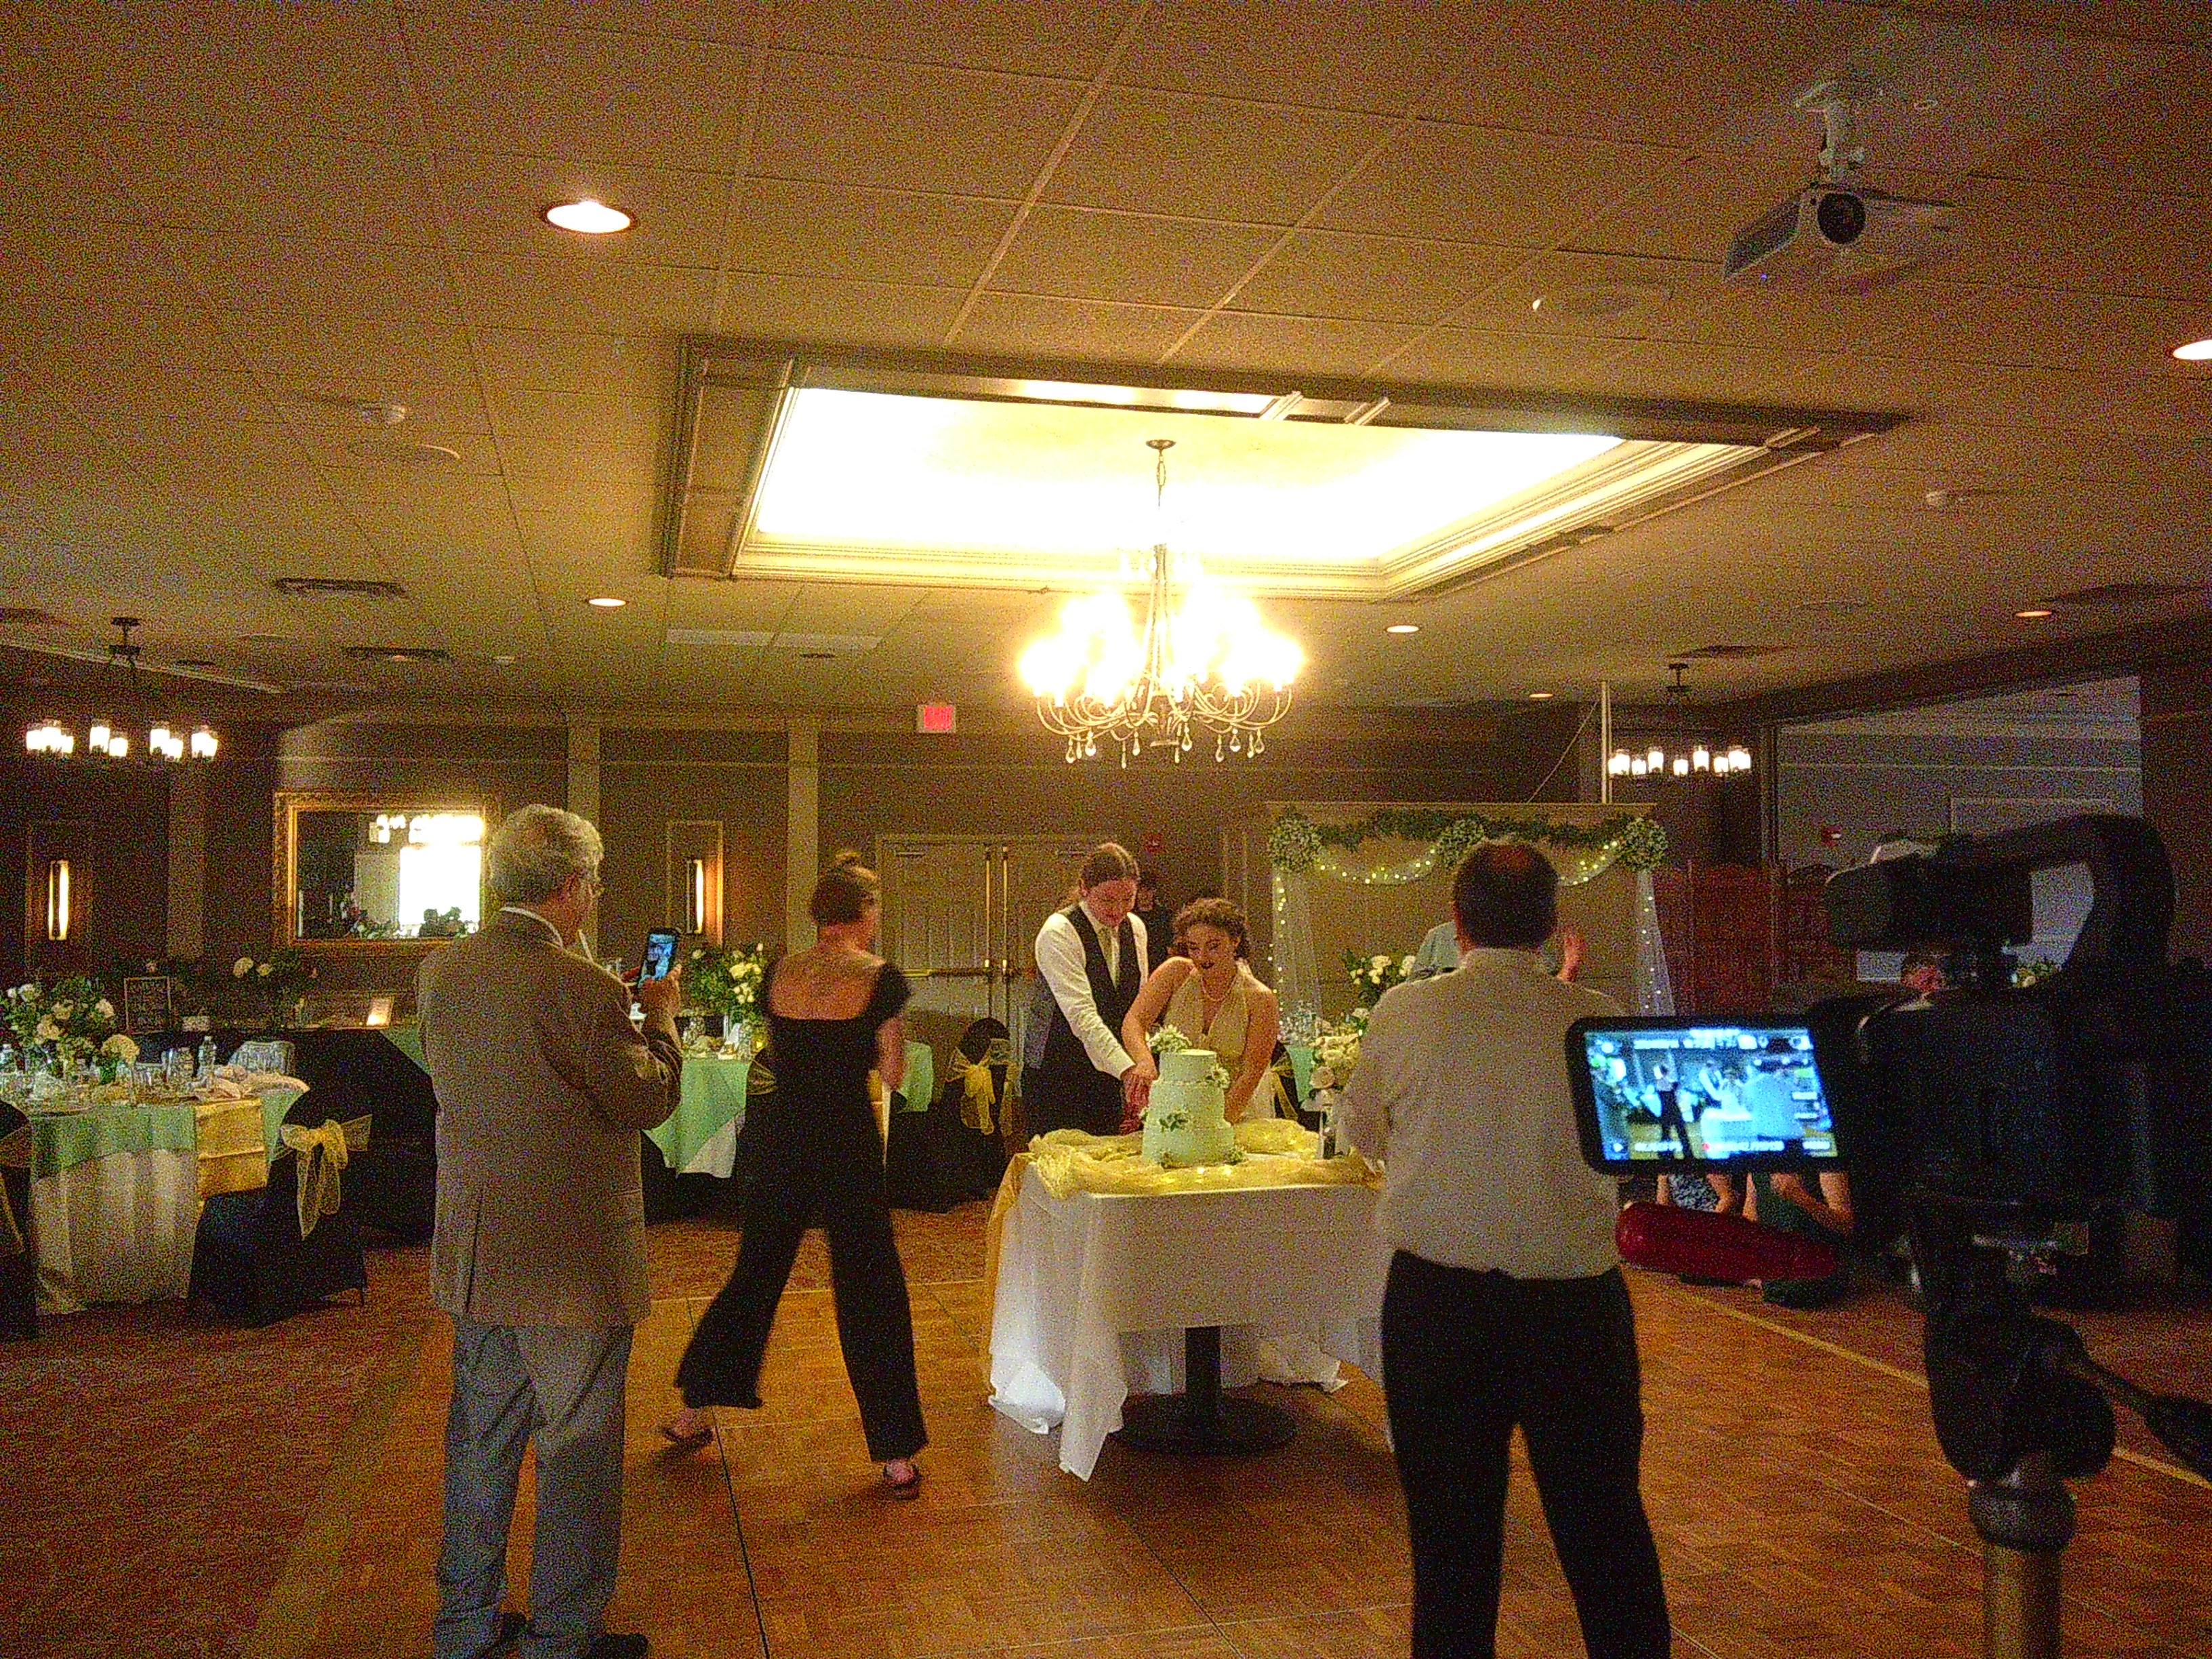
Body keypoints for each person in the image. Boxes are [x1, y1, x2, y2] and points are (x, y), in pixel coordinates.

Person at [1343, 842, 1670, 1659]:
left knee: (1451, 1541)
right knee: (1604, 1527)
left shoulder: (1406, 1012)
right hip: (1577, 1310)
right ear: (1554, 928)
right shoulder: (1595, 1022)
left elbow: (1358, 1130)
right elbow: (1639, 1155)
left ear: (1456, 924)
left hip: (1439, 1306)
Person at [417, 804, 682, 1659]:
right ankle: (562, 1638)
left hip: (477, 1255)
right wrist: (663, 1016)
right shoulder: (584, 988)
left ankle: (462, 1630)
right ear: (572, 888)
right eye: (593, 884)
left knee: (479, 1444)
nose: (595, 896)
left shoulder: (441, 973)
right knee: (576, 1456)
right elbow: (647, 1098)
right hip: (572, 1267)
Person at [661, 854, 928, 1495]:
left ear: (819, 914)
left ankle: (693, 1410)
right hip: (846, 1141)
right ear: (866, 915)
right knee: (871, 1285)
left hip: (780, 1137)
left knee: (756, 1272)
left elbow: (779, 1053)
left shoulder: (781, 970)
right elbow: (894, 1074)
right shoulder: (880, 978)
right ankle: (895, 1455)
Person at [1118, 897, 1282, 1126]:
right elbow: (1134, 1021)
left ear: (1235, 941)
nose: (1202, 957)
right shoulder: (1175, 973)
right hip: (1175, 1109)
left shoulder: (1260, 999)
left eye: (1213, 946)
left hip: (1235, 1112)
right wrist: (1144, 1061)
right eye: (1194, 947)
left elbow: (1251, 1073)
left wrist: (1213, 1126)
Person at [1021, 842, 1147, 1137]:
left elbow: (1138, 1008)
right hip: (1057, 1073)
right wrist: (1129, 1072)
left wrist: (1140, 1065)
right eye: (1108, 900)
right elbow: (1082, 1018)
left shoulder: (1136, 928)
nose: (1119, 910)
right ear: (1084, 889)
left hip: (1109, 1073)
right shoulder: (1058, 932)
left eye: (1128, 899)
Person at [1131, 866, 1174, 976]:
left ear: (1154, 891)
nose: (1144, 895)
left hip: (1159, 965)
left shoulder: (1164, 915)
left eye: (1148, 891)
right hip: (1135, 964)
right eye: (1141, 891)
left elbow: (1170, 945)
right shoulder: (1129, 916)